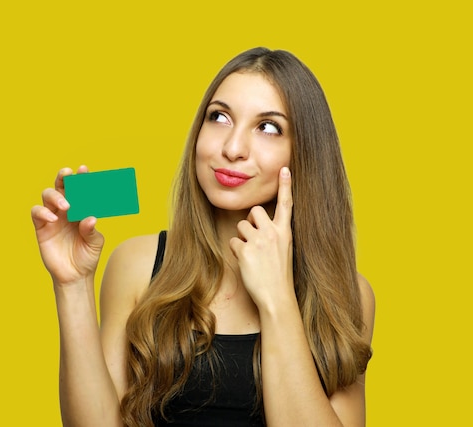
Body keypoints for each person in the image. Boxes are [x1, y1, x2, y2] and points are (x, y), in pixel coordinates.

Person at [31, 47, 375, 427]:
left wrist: (277, 299)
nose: (232, 149)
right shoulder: (137, 264)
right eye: (220, 117)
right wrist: (73, 284)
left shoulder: (346, 294)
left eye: (268, 127)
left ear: (304, 154)